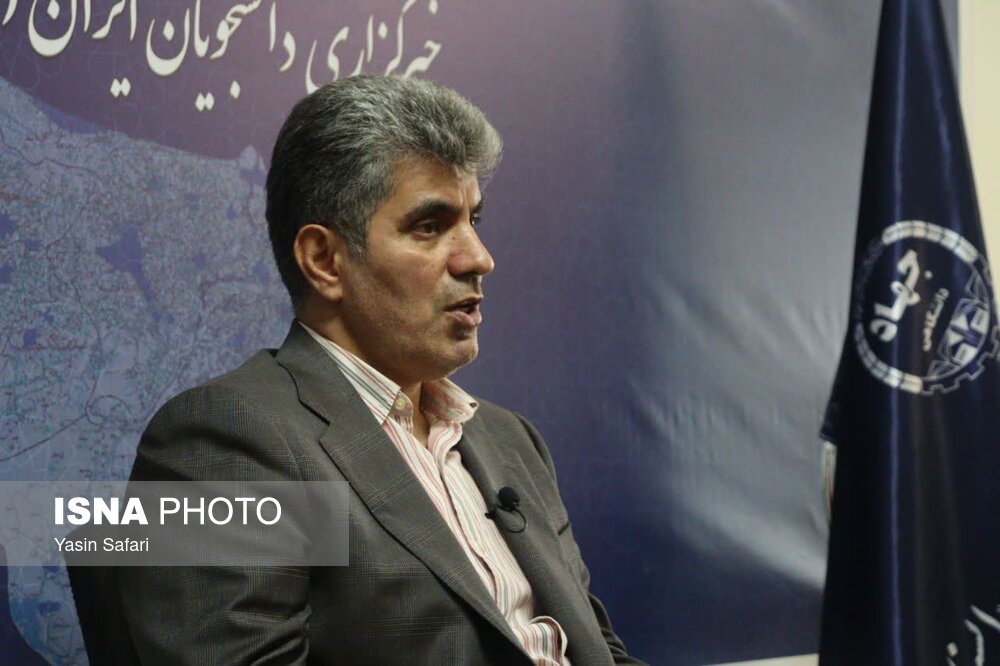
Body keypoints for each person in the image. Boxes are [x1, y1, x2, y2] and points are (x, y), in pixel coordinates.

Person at [102, 75, 643, 665]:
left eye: (473, 221)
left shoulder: (512, 441)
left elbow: (600, 650)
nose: (478, 258)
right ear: (324, 260)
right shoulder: (229, 439)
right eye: (430, 227)